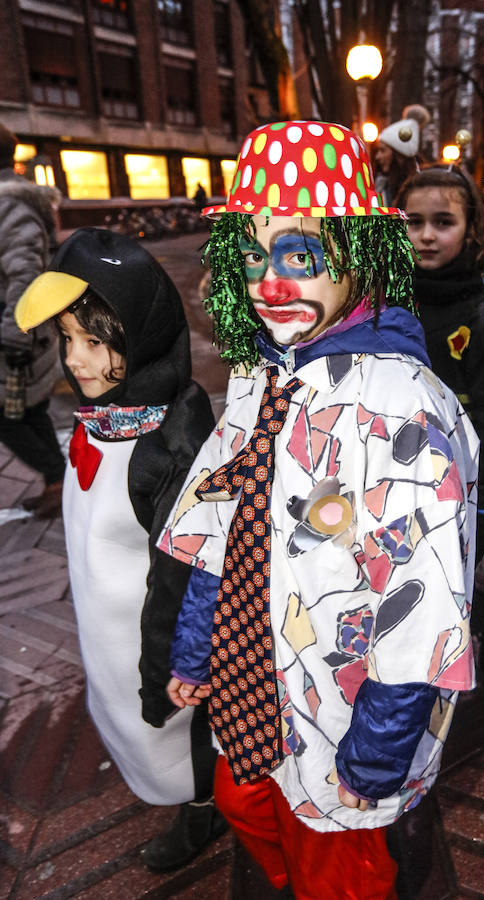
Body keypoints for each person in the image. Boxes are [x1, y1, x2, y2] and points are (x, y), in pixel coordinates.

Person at [160, 120, 480, 900]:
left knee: (335, 871)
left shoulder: (402, 409)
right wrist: (198, 645)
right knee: (244, 803)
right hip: (253, 687)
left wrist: (375, 755)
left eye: (299, 254)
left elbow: (423, 602)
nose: (270, 283)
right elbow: (220, 522)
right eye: (251, 252)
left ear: (357, 254)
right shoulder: (258, 374)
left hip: (345, 718)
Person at [14, 228, 227, 872]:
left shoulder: (166, 446)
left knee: (178, 738)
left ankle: (203, 807)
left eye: (97, 342)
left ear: (140, 336)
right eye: (67, 340)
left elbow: (188, 574)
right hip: (107, 633)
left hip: (154, 642)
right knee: (131, 729)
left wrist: (172, 666)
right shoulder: (101, 420)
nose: (77, 361)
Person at [397, 165, 484, 565]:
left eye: (443, 222)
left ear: (471, 230)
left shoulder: (483, 319)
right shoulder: (388, 301)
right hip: (393, 476)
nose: (426, 235)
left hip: (456, 485)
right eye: (415, 222)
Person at [0, 122, 65, 518]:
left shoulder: (8, 203)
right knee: (29, 411)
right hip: (22, 331)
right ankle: (58, 483)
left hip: (17, 334)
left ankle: (57, 477)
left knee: (9, 418)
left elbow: (25, 274)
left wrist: (13, 335)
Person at [372, 104, 430, 207]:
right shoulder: (380, 186)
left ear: (398, 155)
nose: (377, 157)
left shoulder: (421, 189)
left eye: (382, 150)